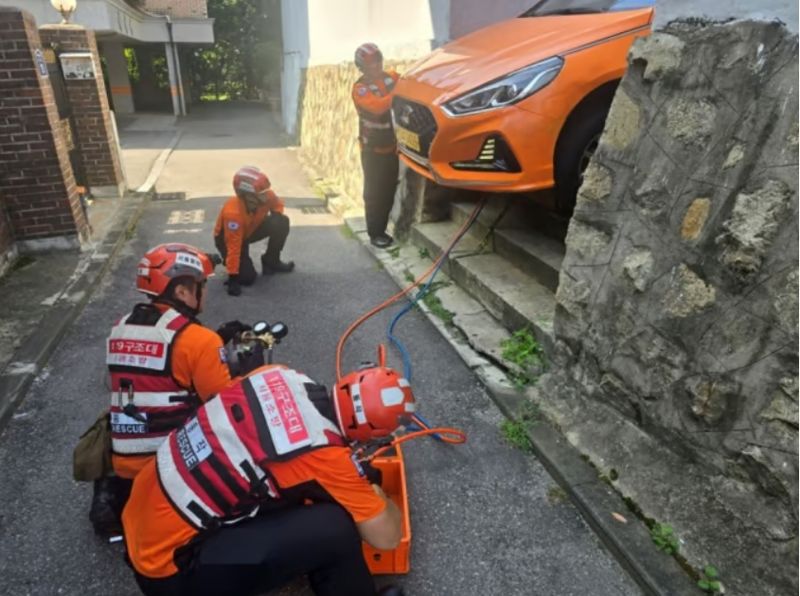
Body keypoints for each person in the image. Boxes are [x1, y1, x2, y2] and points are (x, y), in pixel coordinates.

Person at [122, 362, 411, 596]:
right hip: (170, 570)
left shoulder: (278, 374)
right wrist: (373, 489)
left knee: (284, 486)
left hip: (140, 517)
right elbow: (386, 539)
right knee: (336, 527)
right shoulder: (327, 457)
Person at [90, 243, 244, 536]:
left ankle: (111, 491)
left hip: (124, 457)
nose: (205, 292)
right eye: (201, 286)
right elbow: (223, 400)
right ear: (182, 292)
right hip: (166, 466)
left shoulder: (119, 327)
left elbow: (148, 371)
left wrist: (215, 340)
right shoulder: (199, 341)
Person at [214, 166, 295, 297]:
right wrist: (233, 277)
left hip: (250, 229)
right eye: (261, 194)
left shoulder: (267, 195)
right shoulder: (233, 213)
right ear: (247, 196)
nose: (266, 196)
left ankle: (271, 261)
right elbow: (233, 246)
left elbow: (277, 204)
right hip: (228, 239)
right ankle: (229, 264)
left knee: (281, 221)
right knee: (247, 278)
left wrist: (277, 214)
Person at [352, 42, 400, 249]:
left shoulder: (392, 76)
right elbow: (379, 107)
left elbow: (408, 83)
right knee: (374, 193)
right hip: (372, 150)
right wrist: (398, 94)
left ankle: (382, 228)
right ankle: (375, 233)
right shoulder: (360, 88)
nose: (376, 64)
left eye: (377, 59)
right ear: (362, 66)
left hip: (392, 146)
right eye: (370, 62)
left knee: (389, 189)